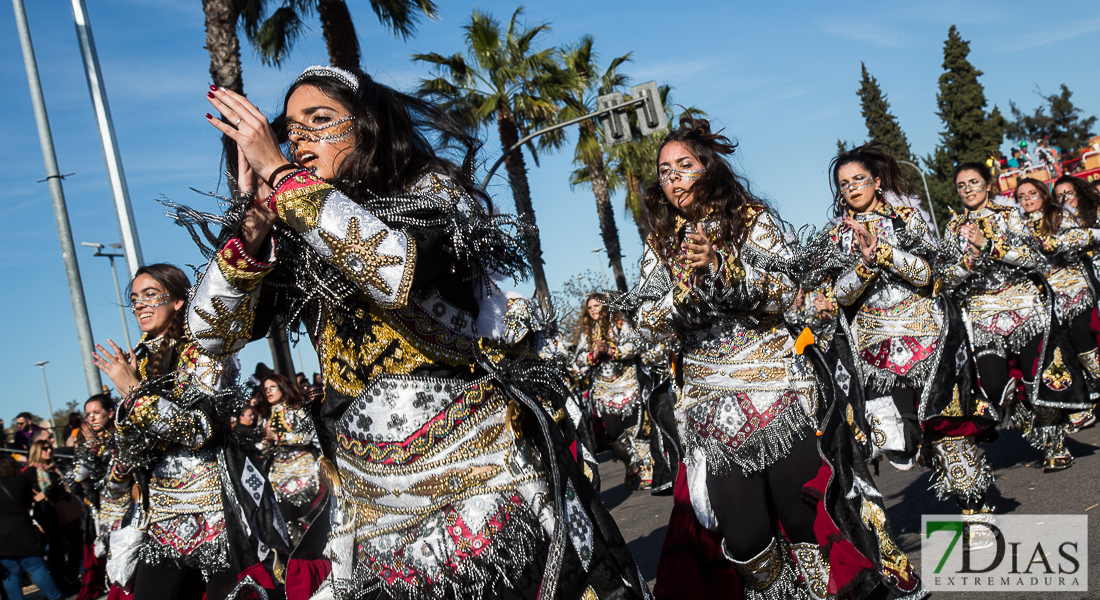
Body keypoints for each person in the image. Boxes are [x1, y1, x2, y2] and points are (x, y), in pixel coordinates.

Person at [194, 65, 647, 599]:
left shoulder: (429, 192)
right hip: (374, 506)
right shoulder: (301, 228)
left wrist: (283, 179)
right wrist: (253, 228)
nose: (296, 141)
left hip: (478, 477)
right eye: (290, 131)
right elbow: (211, 335)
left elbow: (391, 267)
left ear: (366, 127)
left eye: (319, 120)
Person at [631, 115, 922, 599]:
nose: (673, 177)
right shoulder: (659, 246)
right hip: (711, 406)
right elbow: (645, 321)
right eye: (665, 171)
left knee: (802, 517)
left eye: (684, 165)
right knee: (745, 540)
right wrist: (681, 295)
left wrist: (723, 267)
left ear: (709, 169)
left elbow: (788, 291)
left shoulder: (752, 221)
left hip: (775, 392)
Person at [92, 264, 288, 600]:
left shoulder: (205, 352)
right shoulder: (137, 361)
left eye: (150, 295)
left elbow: (197, 430)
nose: (140, 305)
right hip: (161, 515)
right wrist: (126, 405)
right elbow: (131, 446)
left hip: (214, 512)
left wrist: (136, 394)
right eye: (135, 299)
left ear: (179, 301)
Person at [823, 144, 997, 521]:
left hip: (928, 341)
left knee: (946, 422)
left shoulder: (906, 218)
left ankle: (974, 508)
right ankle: (943, 471)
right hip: (874, 354)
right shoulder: (836, 235)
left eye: (858, 180)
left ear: (877, 181)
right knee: (901, 439)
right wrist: (864, 266)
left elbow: (927, 273)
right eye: (843, 184)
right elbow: (837, 294)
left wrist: (883, 252)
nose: (851, 188)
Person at [943, 164, 1090, 472]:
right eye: (961, 186)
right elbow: (945, 279)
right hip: (983, 316)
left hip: (1024, 308)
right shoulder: (953, 228)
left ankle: (1055, 445)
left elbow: (1033, 259)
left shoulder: (1009, 216)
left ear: (987, 185)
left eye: (974, 182)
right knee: (997, 389)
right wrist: (968, 261)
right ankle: (1034, 428)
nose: (968, 189)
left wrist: (990, 246)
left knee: (1038, 378)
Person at [1015, 178, 1100, 437]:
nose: (1028, 199)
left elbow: (1081, 238)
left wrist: (1054, 243)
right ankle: (1079, 404)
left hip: (1075, 290)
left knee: (1083, 340)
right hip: (1046, 300)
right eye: (1021, 196)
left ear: (1043, 194)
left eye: (1032, 193)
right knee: (1063, 352)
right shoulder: (1017, 226)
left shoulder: (1059, 215)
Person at [575, 293, 654, 488]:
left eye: (597, 305)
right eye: (590, 307)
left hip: (628, 385)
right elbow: (578, 358)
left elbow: (635, 345)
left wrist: (610, 351)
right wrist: (594, 354)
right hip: (603, 390)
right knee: (614, 432)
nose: (593, 309)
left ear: (606, 306)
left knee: (634, 428)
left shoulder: (620, 323)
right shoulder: (587, 332)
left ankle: (646, 468)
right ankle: (630, 462)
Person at [69, 394, 130, 600]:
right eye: (88, 415)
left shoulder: (121, 439)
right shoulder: (91, 443)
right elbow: (78, 476)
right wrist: (89, 448)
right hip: (103, 518)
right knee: (113, 572)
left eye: (96, 413)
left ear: (111, 413)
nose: (92, 419)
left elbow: (116, 486)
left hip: (128, 514)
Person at [260, 374, 322, 543]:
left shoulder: (297, 411)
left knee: (310, 518)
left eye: (273, 387)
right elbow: (264, 449)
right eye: (266, 389)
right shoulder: (266, 418)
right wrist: (267, 442)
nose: (269, 392)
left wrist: (280, 437)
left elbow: (309, 438)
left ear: (282, 387)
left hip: (305, 473)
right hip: (279, 477)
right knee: (287, 524)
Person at [0, 454, 64, 600]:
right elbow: (28, 503)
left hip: (1, 537)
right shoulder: (21, 480)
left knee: (11, 574)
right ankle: (55, 597)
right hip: (22, 529)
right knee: (36, 567)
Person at [22, 440, 82, 594]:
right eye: (44, 448)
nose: (49, 450)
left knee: (76, 545)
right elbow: (22, 496)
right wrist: (36, 498)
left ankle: (71, 576)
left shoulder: (56, 468)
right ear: (37, 451)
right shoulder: (30, 473)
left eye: (50, 448)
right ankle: (61, 583)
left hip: (66, 513)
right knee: (57, 551)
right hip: (47, 515)